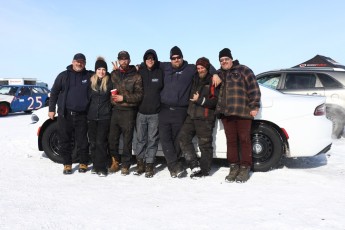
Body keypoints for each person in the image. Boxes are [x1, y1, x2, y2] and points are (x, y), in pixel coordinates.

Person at [159, 46, 221, 178]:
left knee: (203, 143)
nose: (176, 60)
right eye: (173, 58)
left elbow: (206, 65)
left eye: (178, 57)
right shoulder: (167, 67)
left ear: (182, 57)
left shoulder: (191, 70)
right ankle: (189, 165)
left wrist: (215, 73)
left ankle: (203, 170)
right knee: (177, 138)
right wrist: (137, 66)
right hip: (182, 112)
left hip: (198, 114)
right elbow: (149, 63)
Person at [215, 48, 261, 183]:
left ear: (231, 59)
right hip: (226, 113)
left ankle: (245, 167)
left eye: (226, 59)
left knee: (244, 140)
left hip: (243, 112)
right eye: (221, 60)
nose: (224, 62)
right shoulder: (220, 74)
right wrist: (214, 74)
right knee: (231, 141)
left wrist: (254, 106)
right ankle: (234, 167)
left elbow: (254, 88)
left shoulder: (243, 70)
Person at [48, 53, 92, 174]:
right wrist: (51, 109)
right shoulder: (63, 76)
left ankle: (83, 162)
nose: (79, 63)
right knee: (65, 140)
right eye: (77, 61)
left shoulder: (88, 75)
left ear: (85, 63)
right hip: (65, 114)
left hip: (82, 115)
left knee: (83, 141)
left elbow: (101, 75)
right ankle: (67, 164)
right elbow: (54, 92)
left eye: (82, 62)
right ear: (72, 62)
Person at [179, 57, 220, 178]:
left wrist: (201, 100)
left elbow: (216, 101)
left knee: (205, 145)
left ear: (207, 68)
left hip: (205, 117)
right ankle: (194, 165)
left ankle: (205, 170)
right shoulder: (195, 78)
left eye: (202, 68)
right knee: (183, 138)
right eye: (198, 68)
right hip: (192, 115)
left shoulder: (213, 80)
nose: (200, 70)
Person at [108, 51, 143, 176]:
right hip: (115, 111)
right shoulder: (114, 74)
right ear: (118, 60)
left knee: (128, 140)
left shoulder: (136, 76)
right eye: (121, 59)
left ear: (129, 60)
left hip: (128, 111)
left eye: (126, 59)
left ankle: (126, 165)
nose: (124, 61)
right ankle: (115, 161)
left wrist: (124, 98)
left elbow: (139, 96)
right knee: (112, 139)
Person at [134, 49, 164, 178]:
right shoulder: (139, 71)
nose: (150, 60)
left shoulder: (160, 72)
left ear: (155, 60)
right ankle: (140, 163)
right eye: (147, 58)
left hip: (155, 113)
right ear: (144, 60)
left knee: (152, 140)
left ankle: (149, 165)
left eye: (152, 58)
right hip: (141, 112)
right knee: (140, 140)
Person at [87, 57, 113, 177]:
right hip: (92, 117)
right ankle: (95, 165)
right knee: (92, 143)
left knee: (101, 142)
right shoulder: (90, 81)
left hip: (104, 117)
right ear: (95, 70)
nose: (101, 71)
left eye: (103, 69)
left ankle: (102, 168)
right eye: (99, 69)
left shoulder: (109, 81)